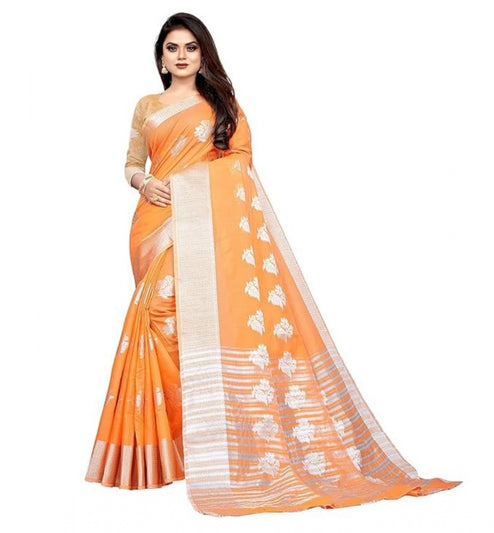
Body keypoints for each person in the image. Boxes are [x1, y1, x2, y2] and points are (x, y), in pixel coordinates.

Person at [85, 12, 462, 517]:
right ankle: (168, 452)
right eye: (172, 48)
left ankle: (207, 444)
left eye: (191, 47)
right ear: (161, 57)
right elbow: (132, 162)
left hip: (203, 224)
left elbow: (239, 164)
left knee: (186, 321)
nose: (181, 55)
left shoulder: (222, 105)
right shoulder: (147, 107)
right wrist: (143, 182)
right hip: (153, 222)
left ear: (203, 54)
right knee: (158, 320)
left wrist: (190, 186)